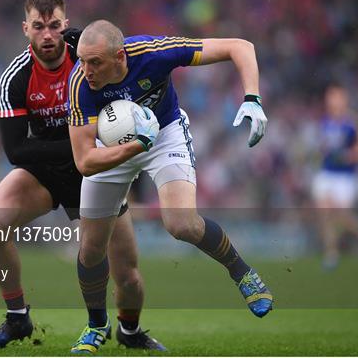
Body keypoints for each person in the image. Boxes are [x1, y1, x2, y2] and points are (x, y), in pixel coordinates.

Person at [67, 20, 273, 354]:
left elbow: (240, 45)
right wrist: (135, 146)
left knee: (182, 224)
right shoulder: (79, 83)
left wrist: (252, 98)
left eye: (95, 62)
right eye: (82, 60)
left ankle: (242, 272)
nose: (86, 70)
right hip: (109, 150)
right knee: (91, 250)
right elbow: (84, 161)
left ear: (120, 56)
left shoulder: (153, 53)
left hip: (163, 135)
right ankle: (96, 325)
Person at [0, 0, 164, 351]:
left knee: (126, 274)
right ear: (26, 29)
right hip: (47, 172)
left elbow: (127, 71)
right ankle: (17, 317)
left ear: (65, 24)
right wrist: (81, 145)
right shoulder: (15, 79)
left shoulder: (89, 50)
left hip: (97, 171)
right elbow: (16, 150)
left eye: (53, 26)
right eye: (38, 27)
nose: (47, 35)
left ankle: (129, 331)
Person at [312, 83, 358, 270]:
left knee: (340, 215)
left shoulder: (352, 122)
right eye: (330, 97)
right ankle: (331, 253)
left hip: (345, 176)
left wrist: (349, 155)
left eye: (336, 96)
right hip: (327, 173)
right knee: (325, 212)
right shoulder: (325, 121)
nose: (332, 100)